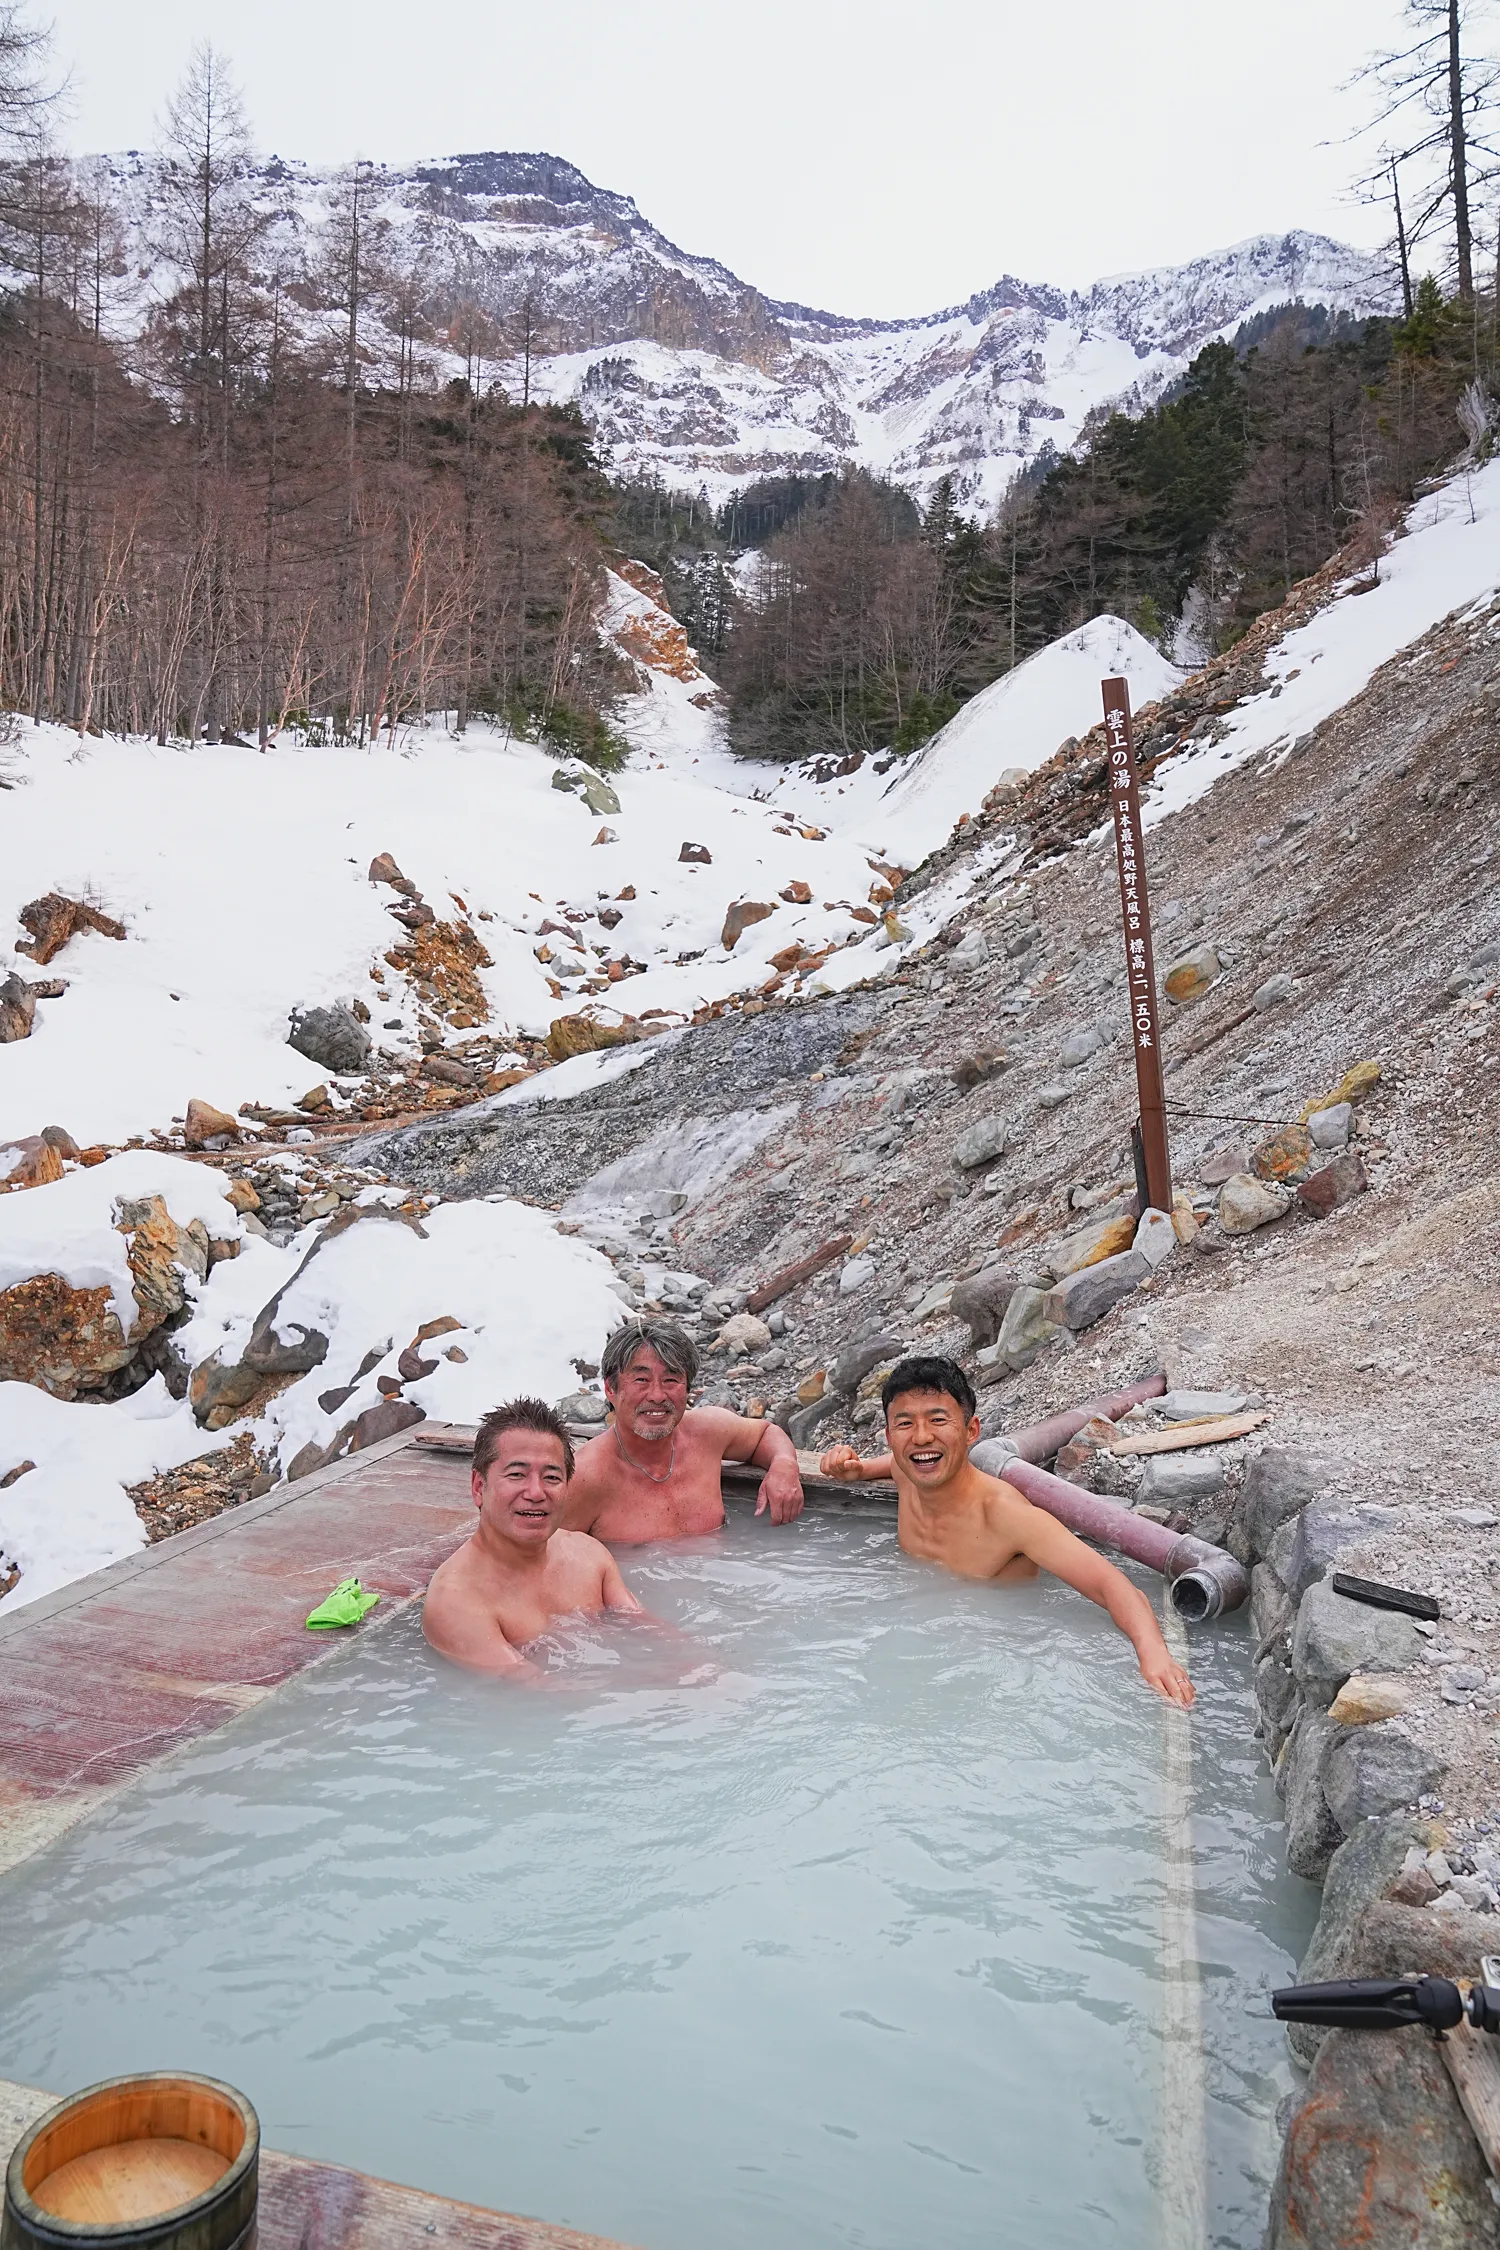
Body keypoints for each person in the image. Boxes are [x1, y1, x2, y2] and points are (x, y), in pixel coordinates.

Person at [820, 1355, 1193, 1707]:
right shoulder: (908, 1471)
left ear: (971, 1431)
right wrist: (857, 1470)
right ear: (890, 1435)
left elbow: (1114, 1587)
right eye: (905, 1424)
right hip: (926, 1638)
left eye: (937, 1421)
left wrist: (1154, 1656)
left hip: (1006, 1654)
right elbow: (895, 1463)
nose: (920, 1438)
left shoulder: (1006, 1515)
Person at [424, 1397, 643, 1675]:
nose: (536, 1493)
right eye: (517, 1474)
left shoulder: (589, 1555)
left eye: (551, 1477)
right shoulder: (456, 1601)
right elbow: (533, 1694)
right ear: (479, 1487)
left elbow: (645, 1629)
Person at [565, 1317, 805, 1541]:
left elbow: (765, 1433)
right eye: (641, 1380)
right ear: (610, 1389)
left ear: (688, 1388)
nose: (657, 1395)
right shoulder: (585, 1477)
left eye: (671, 1380)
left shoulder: (707, 1433)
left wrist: (784, 1465)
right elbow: (541, 1562)